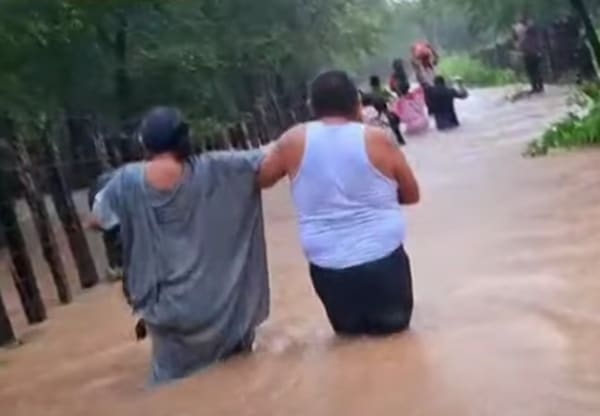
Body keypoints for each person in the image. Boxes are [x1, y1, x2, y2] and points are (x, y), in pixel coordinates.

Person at [89, 107, 270, 385]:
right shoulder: (219, 167)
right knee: (240, 375)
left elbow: (98, 220)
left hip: (169, 315)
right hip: (223, 305)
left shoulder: (126, 181)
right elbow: (270, 159)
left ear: (145, 143)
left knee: (172, 387)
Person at [259, 70, 420, 336]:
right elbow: (412, 194)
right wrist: (382, 198)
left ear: (312, 106)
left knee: (350, 342)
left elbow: (262, 179)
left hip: (328, 268)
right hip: (383, 260)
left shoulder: (292, 141)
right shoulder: (378, 139)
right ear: (357, 103)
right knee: (396, 338)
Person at [369, 75, 405, 145]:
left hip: (378, 111)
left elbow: (372, 101)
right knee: (395, 121)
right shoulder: (382, 89)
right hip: (384, 108)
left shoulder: (371, 92)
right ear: (378, 82)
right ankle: (400, 139)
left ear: (371, 84)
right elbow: (391, 97)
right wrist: (391, 99)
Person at [514, 16, 544, 93]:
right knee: (537, 71)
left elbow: (521, 45)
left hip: (528, 56)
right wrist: (539, 51)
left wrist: (520, 49)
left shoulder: (525, 36)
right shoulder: (536, 36)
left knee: (531, 72)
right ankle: (540, 87)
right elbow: (540, 44)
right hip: (536, 55)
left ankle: (535, 87)